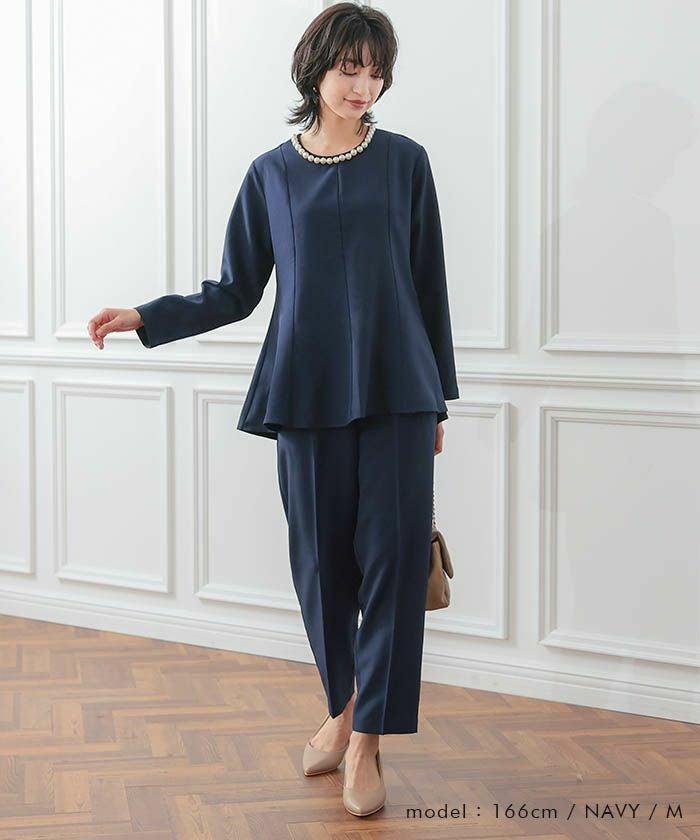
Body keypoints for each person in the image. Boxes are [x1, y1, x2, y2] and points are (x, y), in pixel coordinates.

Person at [87, 2, 459, 818]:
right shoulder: (270, 174)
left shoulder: (406, 162)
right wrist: (147, 316)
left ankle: (366, 741)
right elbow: (235, 289)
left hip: (400, 389)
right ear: (315, 70)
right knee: (320, 566)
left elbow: (428, 283)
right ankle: (341, 706)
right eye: (350, 68)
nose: (364, 85)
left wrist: (440, 397)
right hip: (306, 389)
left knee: (394, 568)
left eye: (376, 72)